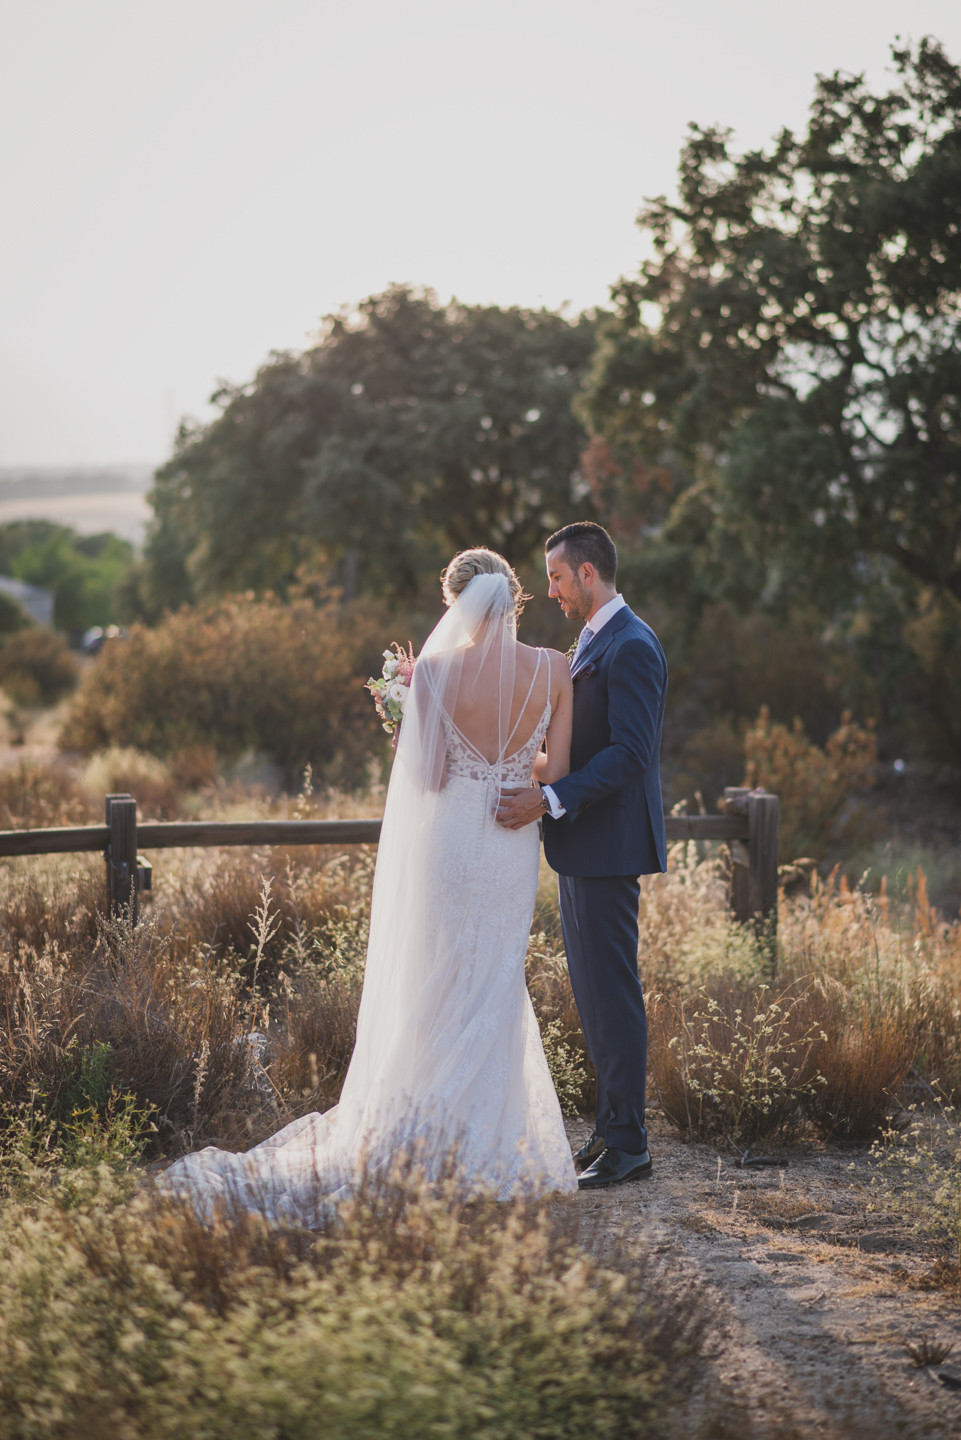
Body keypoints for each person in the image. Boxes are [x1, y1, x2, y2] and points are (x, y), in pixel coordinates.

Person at [157, 548, 577, 1222]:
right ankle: (484, 1142)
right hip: (509, 838)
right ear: (514, 599)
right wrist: (509, 760)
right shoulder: (554, 668)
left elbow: (431, 778)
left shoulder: (436, 672)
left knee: (440, 975)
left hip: (450, 838)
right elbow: (554, 767)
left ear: (455, 604)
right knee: (496, 973)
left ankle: (422, 1132)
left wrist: (404, 733)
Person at [497, 522, 667, 1190]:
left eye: (558, 578)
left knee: (613, 994)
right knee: (593, 997)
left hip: (608, 844)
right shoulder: (591, 641)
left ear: (588, 573)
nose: (551, 591)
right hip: (579, 848)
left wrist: (551, 799)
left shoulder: (633, 645)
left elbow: (631, 754)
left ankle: (630, 1144)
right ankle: (608, 1132)